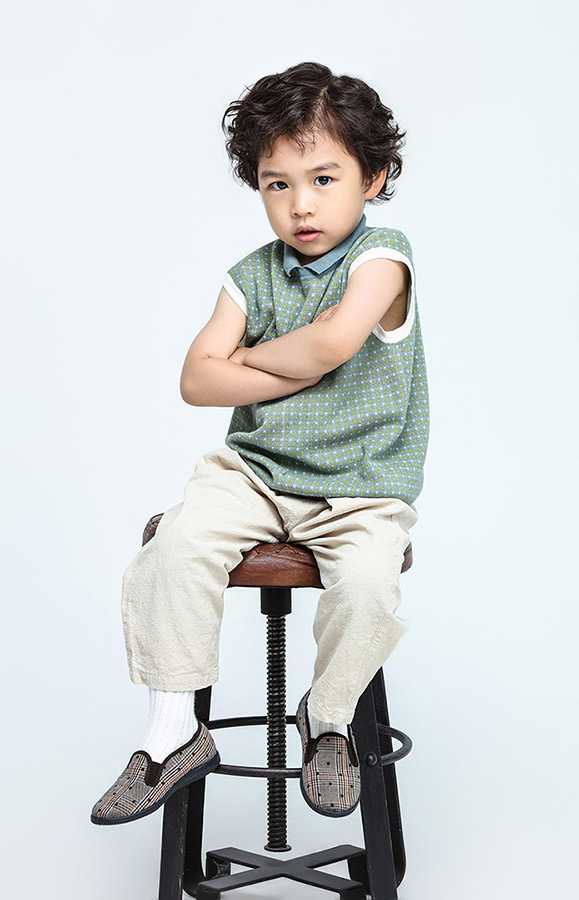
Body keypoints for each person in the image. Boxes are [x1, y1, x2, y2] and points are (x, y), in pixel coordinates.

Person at [91, 60, 429, 826]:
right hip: (254, 475)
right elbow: (195, 380)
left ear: (373, 178)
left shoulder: (383, 259)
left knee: (368, 585)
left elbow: (331, 346)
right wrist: (277, 359)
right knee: (174, 548)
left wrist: (243, 360)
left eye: (324, 179)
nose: (301, 204)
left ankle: (328, 716)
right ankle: (173, 730)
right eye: (279, 184)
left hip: (359, 489)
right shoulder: (250, 276)